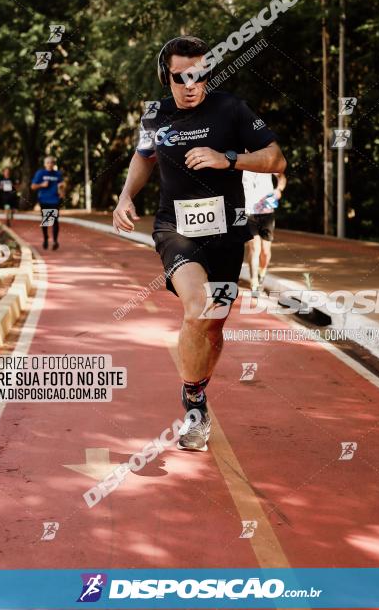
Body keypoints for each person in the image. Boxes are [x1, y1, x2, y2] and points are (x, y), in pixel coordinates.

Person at [112, 36, 286, 452]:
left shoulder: (231, 109)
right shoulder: (154, 114)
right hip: (177, 229)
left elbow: (275, 158)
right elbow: (144, 156)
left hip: (227, 231)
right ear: (164, 76)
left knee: (214, 326)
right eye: (180, 77)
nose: (191, 85)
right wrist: (125, 196)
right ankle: (194, 403)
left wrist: (228, 158)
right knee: (197, 307)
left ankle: (197, 386)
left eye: (199, 75)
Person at [243, 170, 287, 294]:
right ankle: (254, 282)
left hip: (267, 211)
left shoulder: (265, 162)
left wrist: (279, 190)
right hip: (248, 212)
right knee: (254, 248)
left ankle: (262, 272)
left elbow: (281, 176)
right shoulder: (240, 162)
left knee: (265, 252)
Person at [31, 156, 65, 250]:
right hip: (44, 199)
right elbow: (33, 186)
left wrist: (62, 191)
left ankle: (55, 241)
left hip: (54, 200)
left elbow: (61, 187)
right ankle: (46, 238)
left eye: (52, 162)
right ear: (45, 164)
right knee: (46, 221)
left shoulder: (57, 174)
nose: (50, 164)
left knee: (55, 221)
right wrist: (42, 184)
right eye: (48, 162)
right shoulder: (40, 173)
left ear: (54, 164)